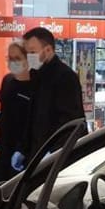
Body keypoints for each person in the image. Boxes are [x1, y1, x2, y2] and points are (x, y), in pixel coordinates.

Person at [22, 27, 85, 156]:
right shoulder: (34, 75)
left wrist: (55, 153)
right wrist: (22, 148)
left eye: (33, 52)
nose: (29, 57)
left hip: (57, 156)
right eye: (27, 53)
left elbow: (70, 121)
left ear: (48, 50)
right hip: (36, 153)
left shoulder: (65, 77)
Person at [0, 41, 33, 183]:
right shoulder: (8, 81)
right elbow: (4, 110)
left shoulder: (36, 86)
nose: (13, 62)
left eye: (17, 58)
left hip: (24, 149)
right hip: (4, 147)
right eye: (10, 58)